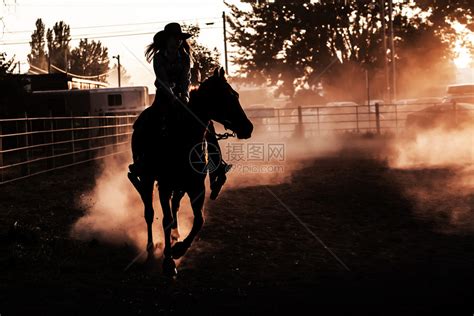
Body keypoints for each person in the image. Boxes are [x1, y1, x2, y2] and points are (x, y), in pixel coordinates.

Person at [129, 22, 230, 199]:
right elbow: (161, 78)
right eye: (174, 38)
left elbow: (186, 77)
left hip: (183, 97)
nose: (176, 41)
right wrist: (171, 94)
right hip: (163, 97)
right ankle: (143, 161)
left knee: (205, 124)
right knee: (149, 120)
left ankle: (217, 166)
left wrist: (183, 94)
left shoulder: (185, 57)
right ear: (167, 40)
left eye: (178, 38)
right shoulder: (159, 58)